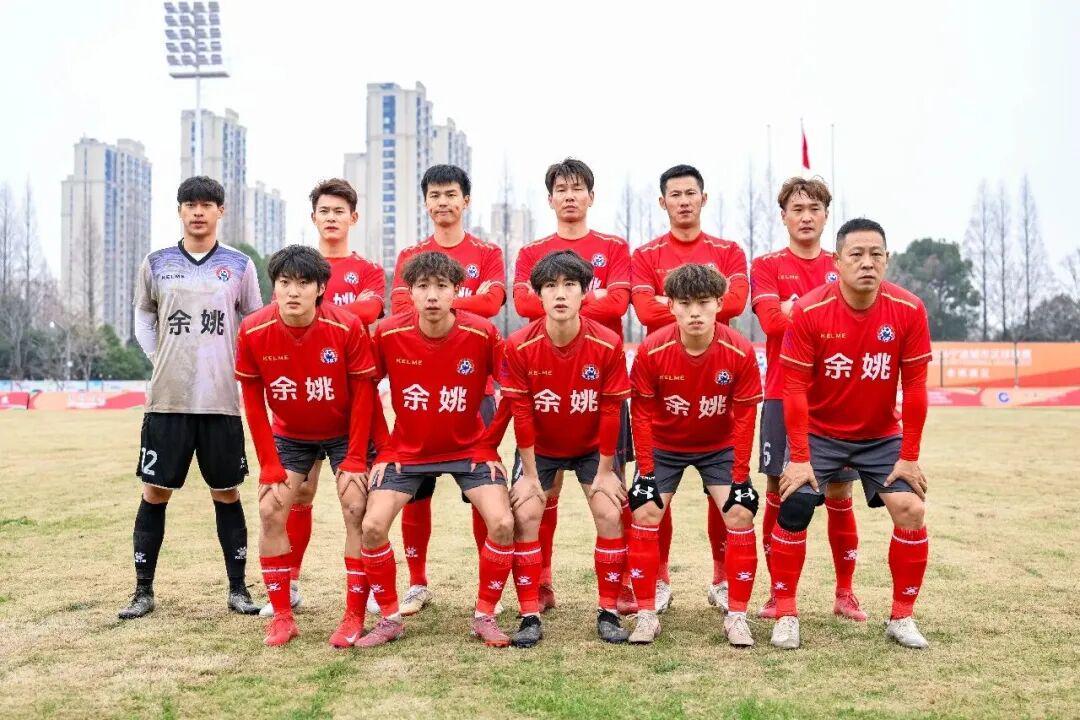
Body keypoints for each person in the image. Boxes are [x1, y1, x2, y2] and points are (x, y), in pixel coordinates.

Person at [771, 217, 932, 650]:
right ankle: (786, 613)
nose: (867, 263)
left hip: (880, 436)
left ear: (887, 260)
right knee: (796, 503)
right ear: (837, 262)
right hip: (819, 433)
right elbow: (794, 388)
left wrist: (909, 455)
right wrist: (800, 457)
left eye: (876, 254)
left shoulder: (909, 309)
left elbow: (916, 387)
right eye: (856, 254)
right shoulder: (809, 310)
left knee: (911, 508)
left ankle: (902, 617)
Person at [120, 176, 262, 620]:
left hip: (220, 400)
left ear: (221, 211)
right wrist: (159, 356)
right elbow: (143, 315)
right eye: (190, 204)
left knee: (227, 492)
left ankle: (238, 589)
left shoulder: (239, 265)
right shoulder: (156, 262)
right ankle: (143, 591)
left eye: (206, 204)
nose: (198, 212)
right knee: (155, 492)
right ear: (180, 210)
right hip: (168, 400)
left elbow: (254, 321)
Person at [357, 251, 515, 648]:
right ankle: (389, 619)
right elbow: (365, 389)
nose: (432, 296)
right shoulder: (388, 333)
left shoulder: (482, 332)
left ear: (456, 291)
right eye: (423, 286)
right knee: (372, 526)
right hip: (407, 453)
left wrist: (489, 444)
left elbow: (513, 388)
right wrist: (385, 448)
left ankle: (485, 615)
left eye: (441, 287)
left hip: (469, 449)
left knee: (502, 522)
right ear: (409, 292)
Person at [236, 245, 376, 647]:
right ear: (274, 287)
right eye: (284, 283)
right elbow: (253, 400)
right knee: (270, 509)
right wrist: (268, 463)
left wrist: (355, 457)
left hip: (344, 432)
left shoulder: (346, 326)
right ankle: (282, 615)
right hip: (291, 434)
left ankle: (353, 615)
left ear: (321, 289)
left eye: (303, 283)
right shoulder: (253, 330)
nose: (293, 291)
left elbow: (364, 393)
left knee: (356, 507)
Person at [262, 177, 386, 619]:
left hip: (350, 396)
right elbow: (281, 317)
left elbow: (370, 310)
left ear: (353, 218)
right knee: (299, 493)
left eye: (340, 212)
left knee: (359, 499)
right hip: (301, 395)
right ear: (313, 217)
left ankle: (371, 586)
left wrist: (322, 318)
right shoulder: (294, 269)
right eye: (324, 211)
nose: (332, 218)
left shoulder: (368, 270)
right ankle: (290, 581)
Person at [512, 158, 632, 613]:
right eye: (561, 189)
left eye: (577, 188)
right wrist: (589, 297)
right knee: (541, 496)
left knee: (613, 492)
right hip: (546, 383)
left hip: (599, 384)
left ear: (591, 196)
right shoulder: (532, 251)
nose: (569, 195)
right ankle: (541, 582)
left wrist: (575, 305)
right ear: (550, 199)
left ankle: (624, 585)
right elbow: (524, 305)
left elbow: (619, 303)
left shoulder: (613, 246)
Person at [386, 164, 506, 616]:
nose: (443, 202)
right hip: (419, 388)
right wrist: (462, 301)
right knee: (415, 492)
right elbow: (401, 307)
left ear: (465, 200)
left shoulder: (488, 252)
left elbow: (494, 303)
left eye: (451, 194)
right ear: (425, 202)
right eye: (434, 195)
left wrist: (439, 301)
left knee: (481, 492)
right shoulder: (410, 254)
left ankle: (486, 584)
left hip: (475, 389)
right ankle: (417, 583)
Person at [629, 164, 750, 613]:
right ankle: (659, 580)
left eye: (690, 193)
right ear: (663, 202)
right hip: (664, 385)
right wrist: (692, 308)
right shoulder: (646, 254)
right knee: (655, 496)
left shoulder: (729, 251)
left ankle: (722, 579)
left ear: (704, 198)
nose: (683, 201)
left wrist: (676, 303)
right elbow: (643, 311)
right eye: (675, 195)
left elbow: (736, 302)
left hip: (717, 385)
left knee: (725, 497)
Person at [501, 250, 634, 647]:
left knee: (609, 512)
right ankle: (529, 614)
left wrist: (606, 471)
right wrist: (528, 475)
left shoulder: (607, 342)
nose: (560, 294)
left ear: (584, 292)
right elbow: (521, 413)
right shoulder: (519, 345)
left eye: (570, 285)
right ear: (538, 295)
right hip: (541, 448)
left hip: (594, 447)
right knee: (526, 514)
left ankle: (608, 611)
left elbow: (610, 410)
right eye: (550, 286)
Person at [625, 263, 763, 646]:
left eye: (703, 302)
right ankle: (646, 613)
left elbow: (745, 417)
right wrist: (646, 472)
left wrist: (740, 476)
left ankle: (737, 616)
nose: (695, 313)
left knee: (740, 511)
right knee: (645, 509)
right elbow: (642, 414)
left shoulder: (739, 350)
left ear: (720, 303)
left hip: (718, 446)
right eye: (685, 304)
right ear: (670, 306)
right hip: (664, 447)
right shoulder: (653, 350)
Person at [751, 176, 865, 622]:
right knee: (779, 489)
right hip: (783, 394)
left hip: (838, 397)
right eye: (797, 209)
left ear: (826, 216)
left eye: (814, 208)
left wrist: (795, 308)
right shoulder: (767, 265)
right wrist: (822, 314)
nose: (806, 216)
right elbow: (772, 323)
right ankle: (777, 593)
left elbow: (854, 322)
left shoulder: (842, 265)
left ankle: (845, 593)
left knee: (840, 492)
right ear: (783, 216)